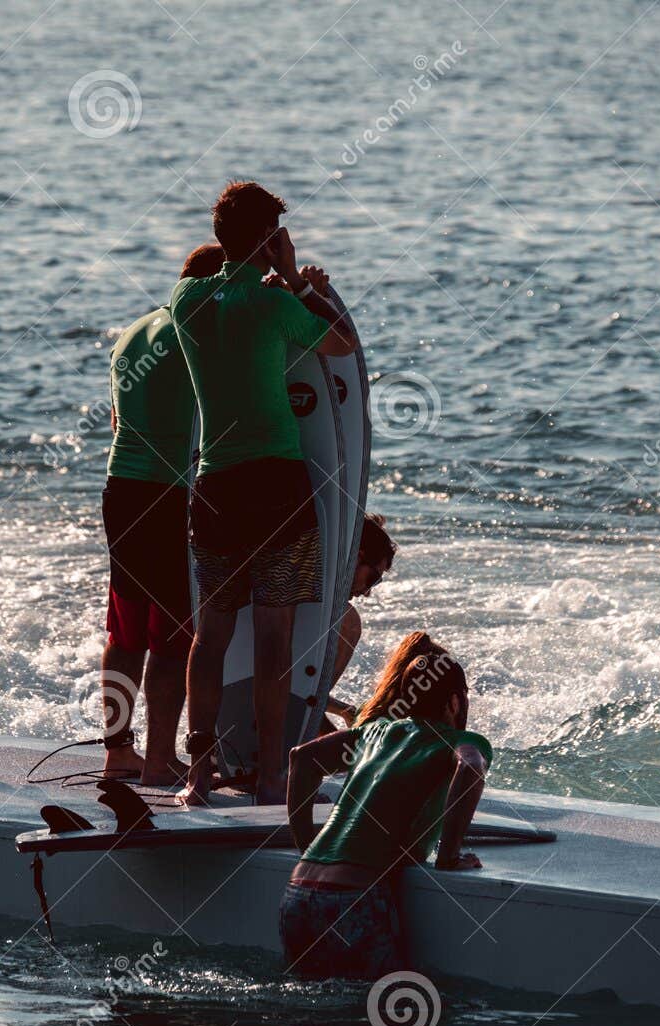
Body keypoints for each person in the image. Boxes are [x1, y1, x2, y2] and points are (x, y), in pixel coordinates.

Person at [170, 181, 357, 806]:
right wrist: (298, 281)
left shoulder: (185, 299)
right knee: (274, 636)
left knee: (211, 635)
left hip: (215, 485)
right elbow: (341, 345)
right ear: (269, 238)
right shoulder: (278, 306)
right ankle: (273, 777)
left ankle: (198, 775)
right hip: (277, 487)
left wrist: (263, 267)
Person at [280, 632, 489, 979]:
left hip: (298, 891)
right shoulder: (457, 741)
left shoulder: (374, 731)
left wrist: (305, 846)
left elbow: (302, 758)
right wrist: (449, 858)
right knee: (388, 1013)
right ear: (454, 703)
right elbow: (470, 767)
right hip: (353, 898)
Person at [99, 243, 226, 786]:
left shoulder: (133, 332)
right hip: (163, 496)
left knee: (125, 631)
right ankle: (158, 760)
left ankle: (118, 751)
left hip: (119, 489)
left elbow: (115, 419)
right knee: (173, 638)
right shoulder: (196, 334)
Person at [325, 513, 397, 728]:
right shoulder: (346, 621)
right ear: (356, 558)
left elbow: (304, 696)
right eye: (373, 578)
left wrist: (344, 711)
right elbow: (306, 701)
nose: (367, 592)